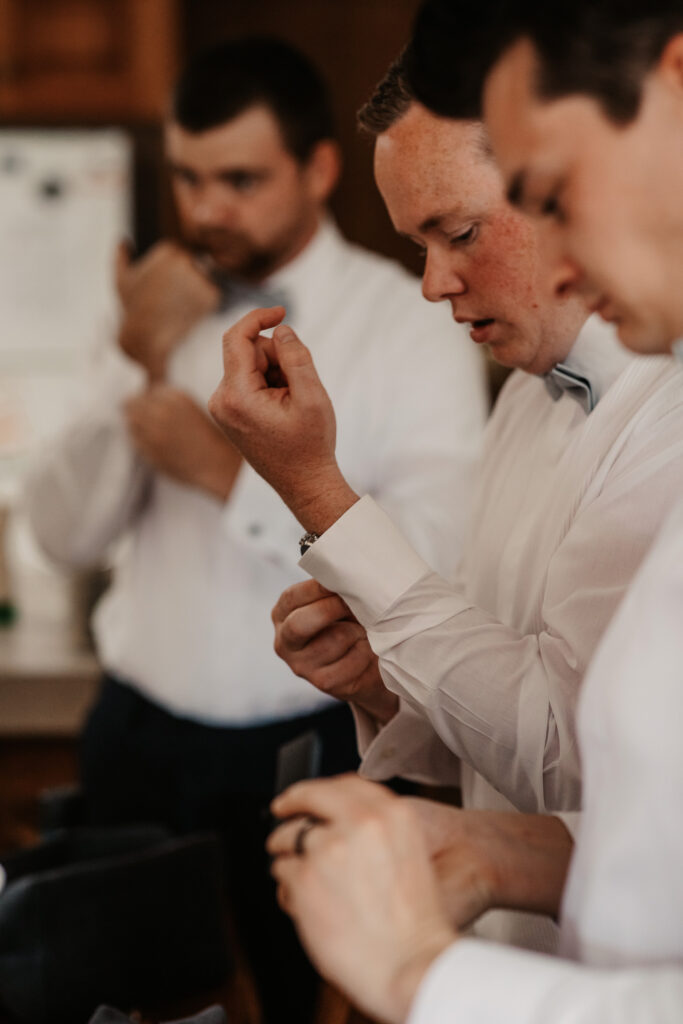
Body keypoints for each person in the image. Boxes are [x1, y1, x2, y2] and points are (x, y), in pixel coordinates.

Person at [22, 36, 487, 1024]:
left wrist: (226, 474)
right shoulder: (151, 315)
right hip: (137, 743)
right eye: (188, 177)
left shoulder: (414, 321)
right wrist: (134, 359)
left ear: (318, 168)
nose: (206, 210)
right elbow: (60, 535)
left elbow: (441, 553)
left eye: (239, 178)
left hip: (313, 742)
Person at [264, 4, 683, 1022]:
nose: (433, 284)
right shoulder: (522, 396)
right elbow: (635, 814)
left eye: (465, 228)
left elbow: (565, 750)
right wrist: (384, 688)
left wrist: (425, 975)